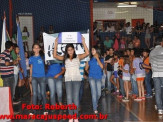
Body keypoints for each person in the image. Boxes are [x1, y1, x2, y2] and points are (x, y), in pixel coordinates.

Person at [53, 36, 89, 122]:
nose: (70, 51)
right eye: (68, 50)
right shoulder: (64, 58)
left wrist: (83, 42)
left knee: (75, 98)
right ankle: (70, 116)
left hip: (77, 79)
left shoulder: (78, 57)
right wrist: (55, 44)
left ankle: (75, 116)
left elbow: (87, 53)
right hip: (68, 79)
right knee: (69, 98)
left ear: (74, 50)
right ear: (67, 51)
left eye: (71, 49)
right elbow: (55, 55)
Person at [29, 43, 47, 115]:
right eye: (34, 48)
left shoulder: (43, 57)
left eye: (37, 48)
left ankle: (45, 109)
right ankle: (33, 110)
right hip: (34, 77)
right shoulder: (31, 58)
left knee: (43, 93)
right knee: (35, 93)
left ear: (40, 49)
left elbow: (49, 60)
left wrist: (47, 54)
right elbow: (31, 68)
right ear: (33, 49)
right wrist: (30, 76)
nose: (36, 49)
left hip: (42, 77)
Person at [85, 46, 104, 115]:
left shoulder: (101, 59)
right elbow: (86, 69)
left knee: (99, 93)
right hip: (91, 77)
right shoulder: (90, 59)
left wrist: (97, 59)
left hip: (98, 77)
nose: (92, 51)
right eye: (92, 50)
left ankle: (95, 103)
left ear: (97, 51)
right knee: (94, 93)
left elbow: (102, 67)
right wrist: (87, 65)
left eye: (93, 50)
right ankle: (95, 108)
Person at [149, 37, 163, 115]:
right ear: (161, 42)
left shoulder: (151, 52)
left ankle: (160, 109)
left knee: (157, 91)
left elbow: (150, 63)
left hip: (155, 73)